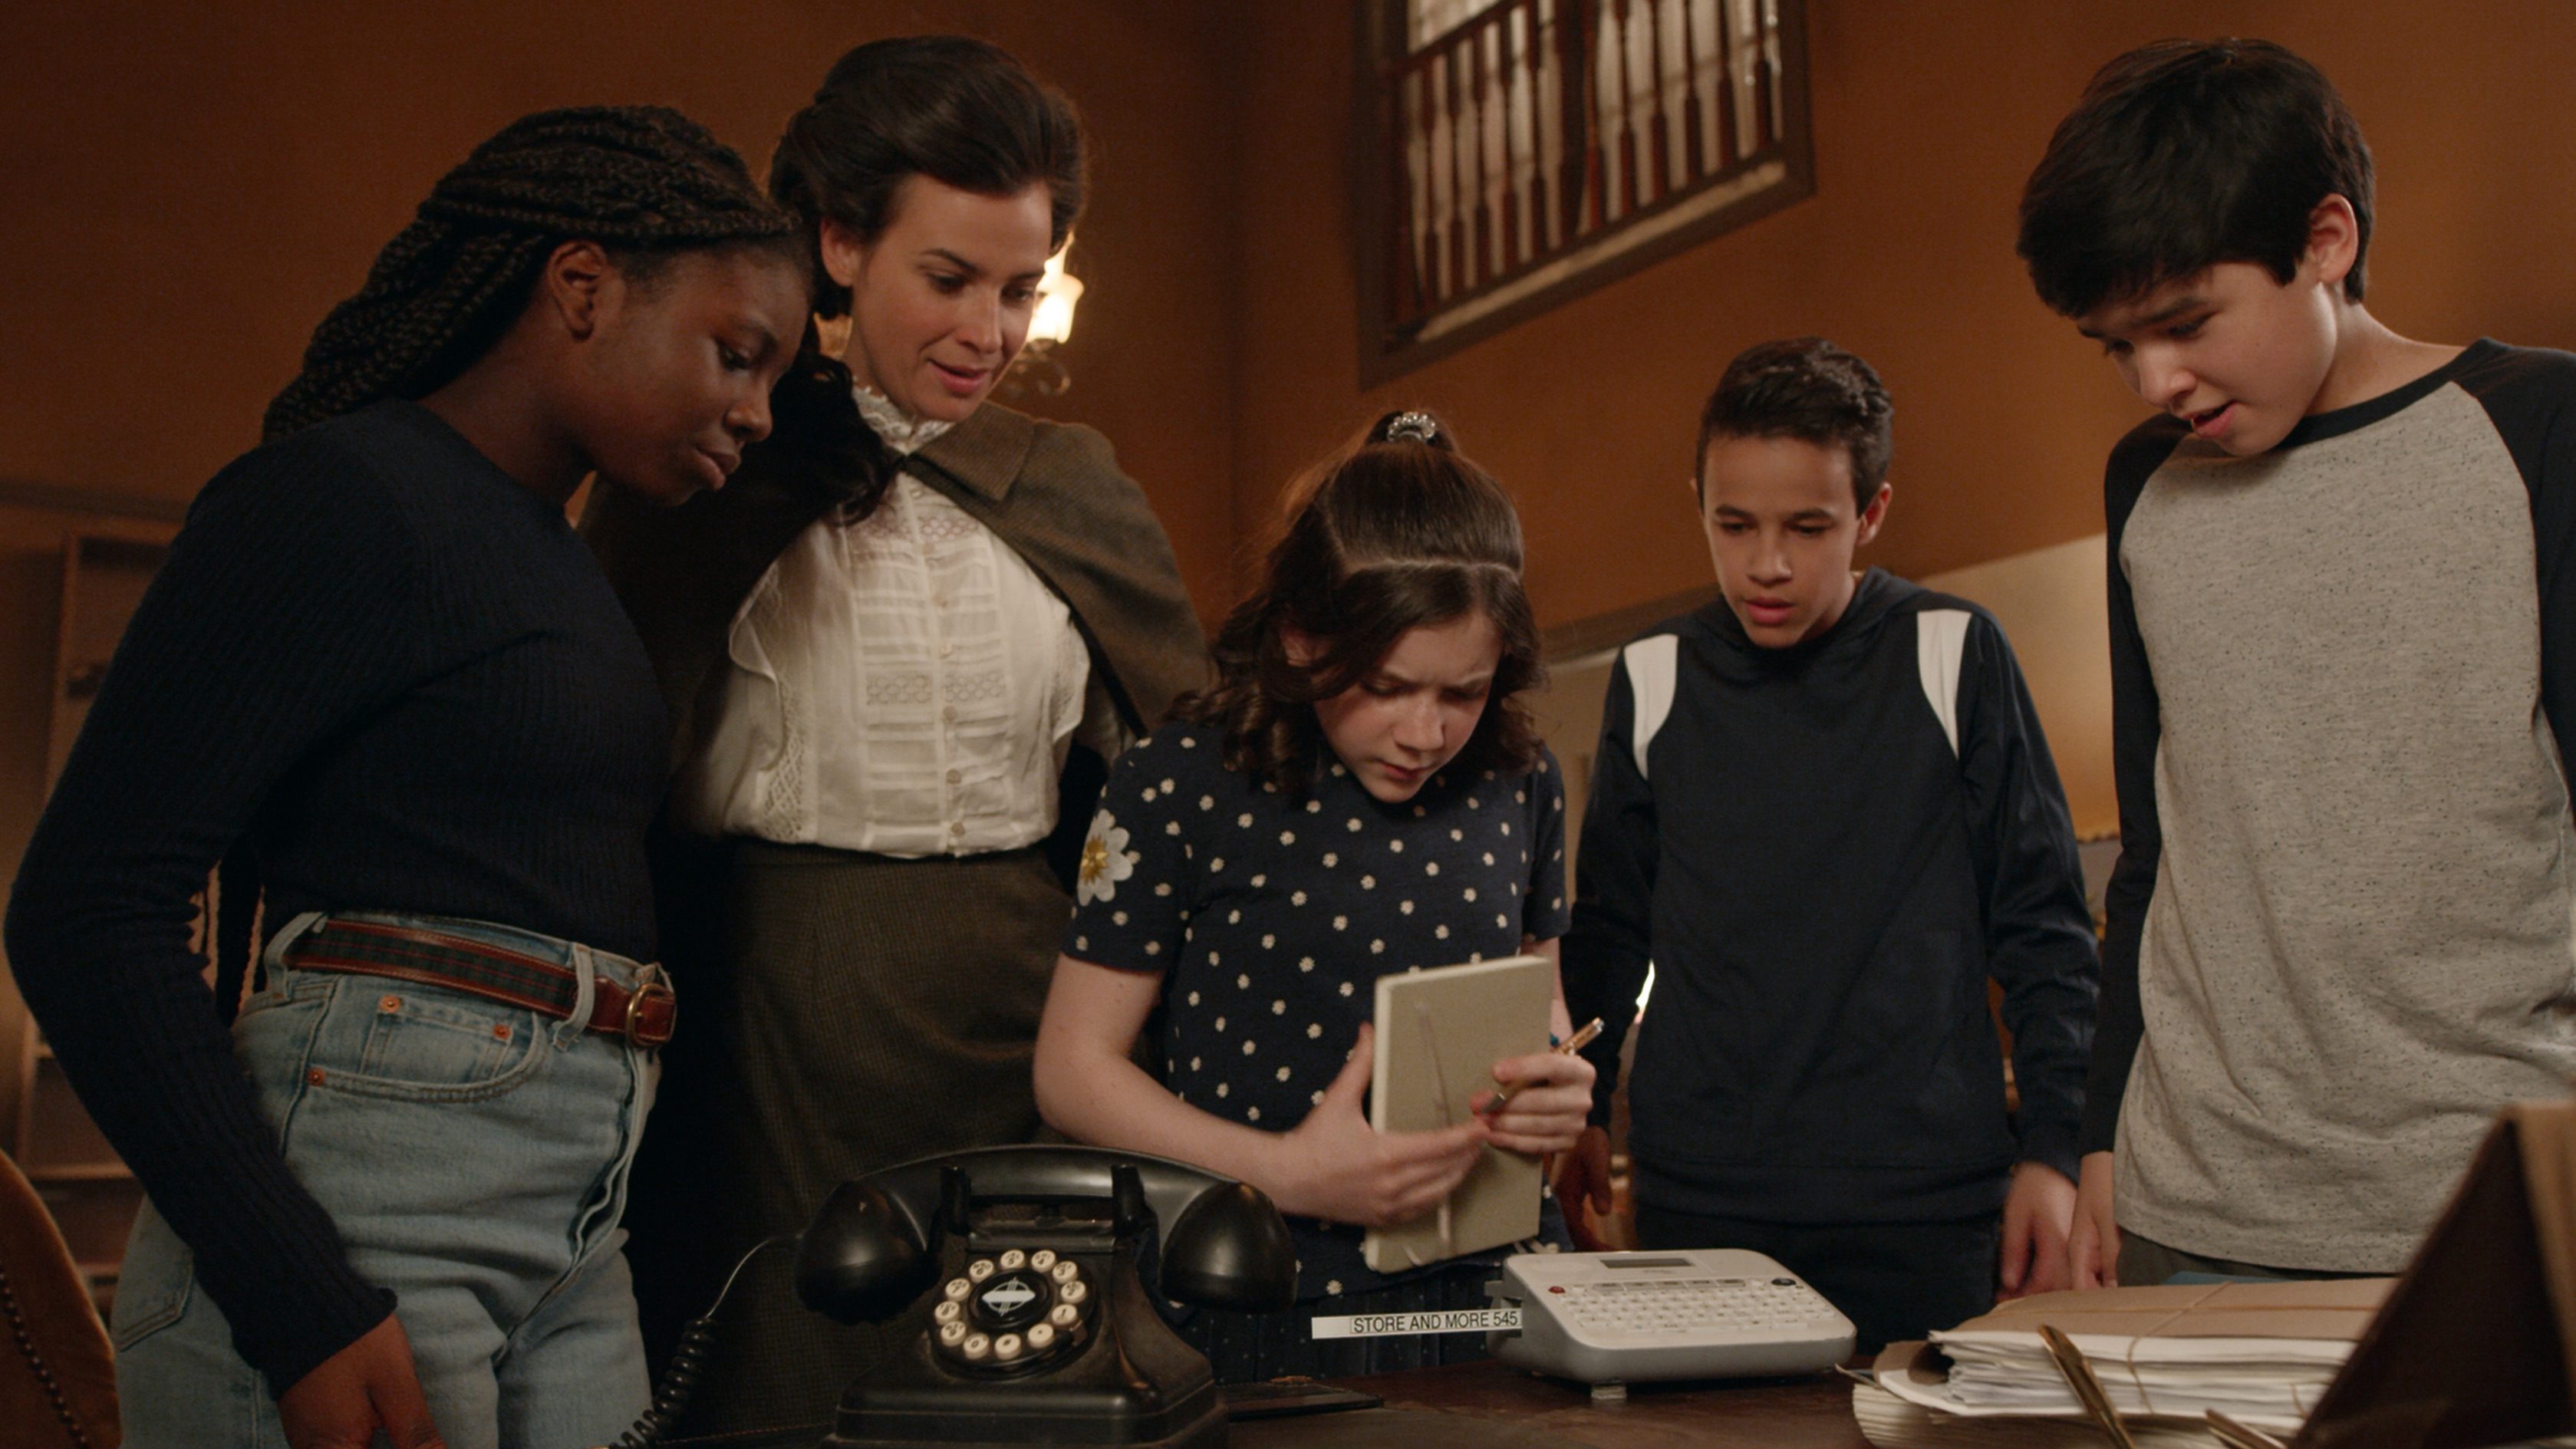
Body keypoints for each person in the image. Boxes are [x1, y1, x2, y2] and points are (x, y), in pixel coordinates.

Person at [3, 107, 809, 1449]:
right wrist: (297, 1298)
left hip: (572, 1227)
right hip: (362, 1220)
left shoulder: (560, 562)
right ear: (582, 287)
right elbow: (84, 909)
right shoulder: (337, 495)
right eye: (737, 353)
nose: (756, 412)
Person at [581, 35, 1206, 1431]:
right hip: (770, 1035)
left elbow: (1195, 783)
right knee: (794, 1396)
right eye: (950, 278)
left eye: (1020, 288)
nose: (990, 330)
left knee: (1038, 1404)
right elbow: (586, 786)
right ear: (839, 242)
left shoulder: (1073, 484)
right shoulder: (708, 469)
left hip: (1040, 1023)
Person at [2016, 38, 2576, 1290]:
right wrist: (2101, 1134)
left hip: (2483, 1209)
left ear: (2325, 239)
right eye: (2115, 346)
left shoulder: (2538, 427)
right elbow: (2153, 850)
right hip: (2187, 1208)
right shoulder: (2144, 484)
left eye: (2182, 323)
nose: (2154, 379)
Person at [1555, 338, 2098, 1352]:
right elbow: (1611, 927)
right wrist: (1583, 1106)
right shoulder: (1654, 672)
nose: (1766, 563)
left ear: (1871, 512)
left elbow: (2044, 927)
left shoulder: (1952, 650)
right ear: (1698, 504)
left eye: (1807, 528)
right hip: (1701, 1195)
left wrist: (2055, 1149)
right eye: (1734, 525)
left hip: (1922, 1202)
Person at [1031, 410, 1595, 1383]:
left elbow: (1539, 1002)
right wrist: (1287, 1171)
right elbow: (1072, 1070)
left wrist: (1559, 1084)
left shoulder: (1521, 776)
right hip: (1262, 1288)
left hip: (1498, 1290)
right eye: (1386, 684)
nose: (1425, 732)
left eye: (1463, 692)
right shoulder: (1180, 781)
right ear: (1299, 637)